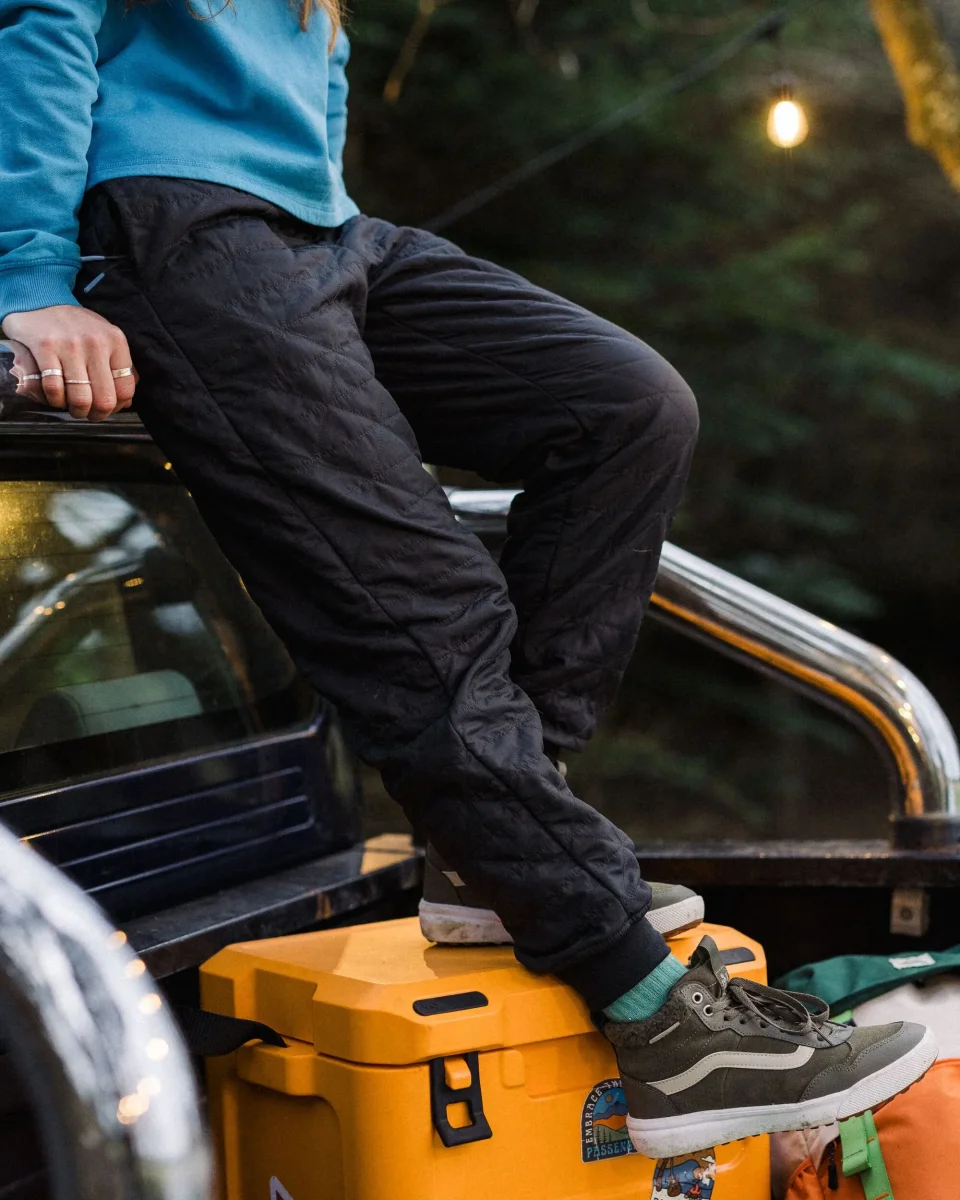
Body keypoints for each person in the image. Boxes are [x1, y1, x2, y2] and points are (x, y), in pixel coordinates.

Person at [0, 0, 935, 1158]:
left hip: (323, 229)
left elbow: (316, 62)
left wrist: (322, 201)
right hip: (173, 222)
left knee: (627, 410)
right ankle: (657, 1017)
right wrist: (31, 273)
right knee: (423, 609)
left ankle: (495, 858)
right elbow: (43, 17)